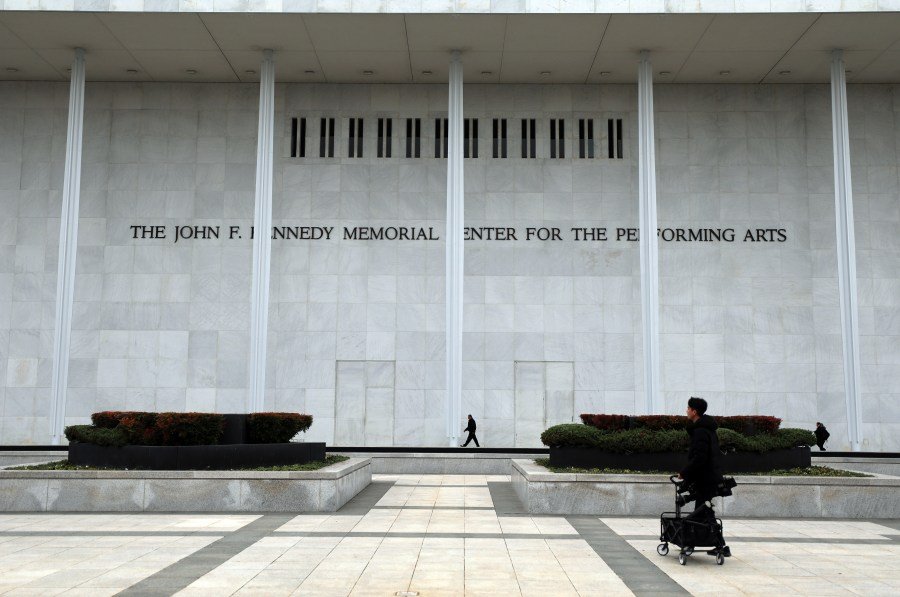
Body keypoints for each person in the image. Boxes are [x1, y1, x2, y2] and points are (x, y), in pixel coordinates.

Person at [678, 397, 722, 521]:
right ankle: (711, 539)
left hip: (705, 479)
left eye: (688, 408)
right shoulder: (708, 430)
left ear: (694, 411)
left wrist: (684, 472)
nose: (686, 411)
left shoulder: (701, 431)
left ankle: (709, 539)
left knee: (701, 515)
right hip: (709, 477)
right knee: (704, 513)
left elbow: (700, 457)